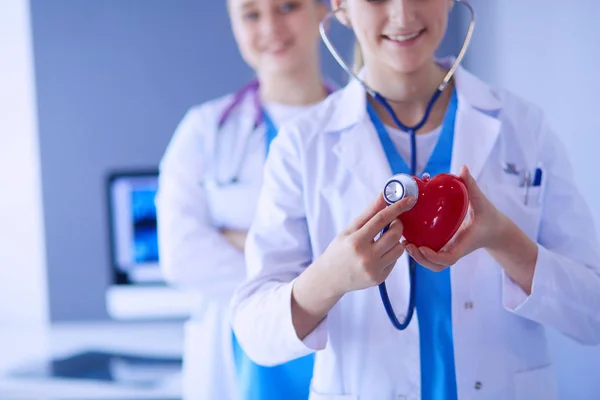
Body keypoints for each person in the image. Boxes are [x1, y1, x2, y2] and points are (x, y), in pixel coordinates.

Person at [230, 0, 600, 399]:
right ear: (339, 6)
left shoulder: (525, 128)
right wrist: (330, 278)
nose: (403, 15)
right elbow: (255, 333)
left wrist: (505, 240)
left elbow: (592, 315)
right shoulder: (302, 145)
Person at [155, 0, 332, 399]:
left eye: (288, 6)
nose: (271, 26)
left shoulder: (359, 125)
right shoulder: (205, 131)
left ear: (323, 10)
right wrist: (321, 277)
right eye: (251, 14)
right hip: (232, 356)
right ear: (234, 25)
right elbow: (182, 255)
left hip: (341, 347)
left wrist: (239, 238)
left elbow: (375, 253)